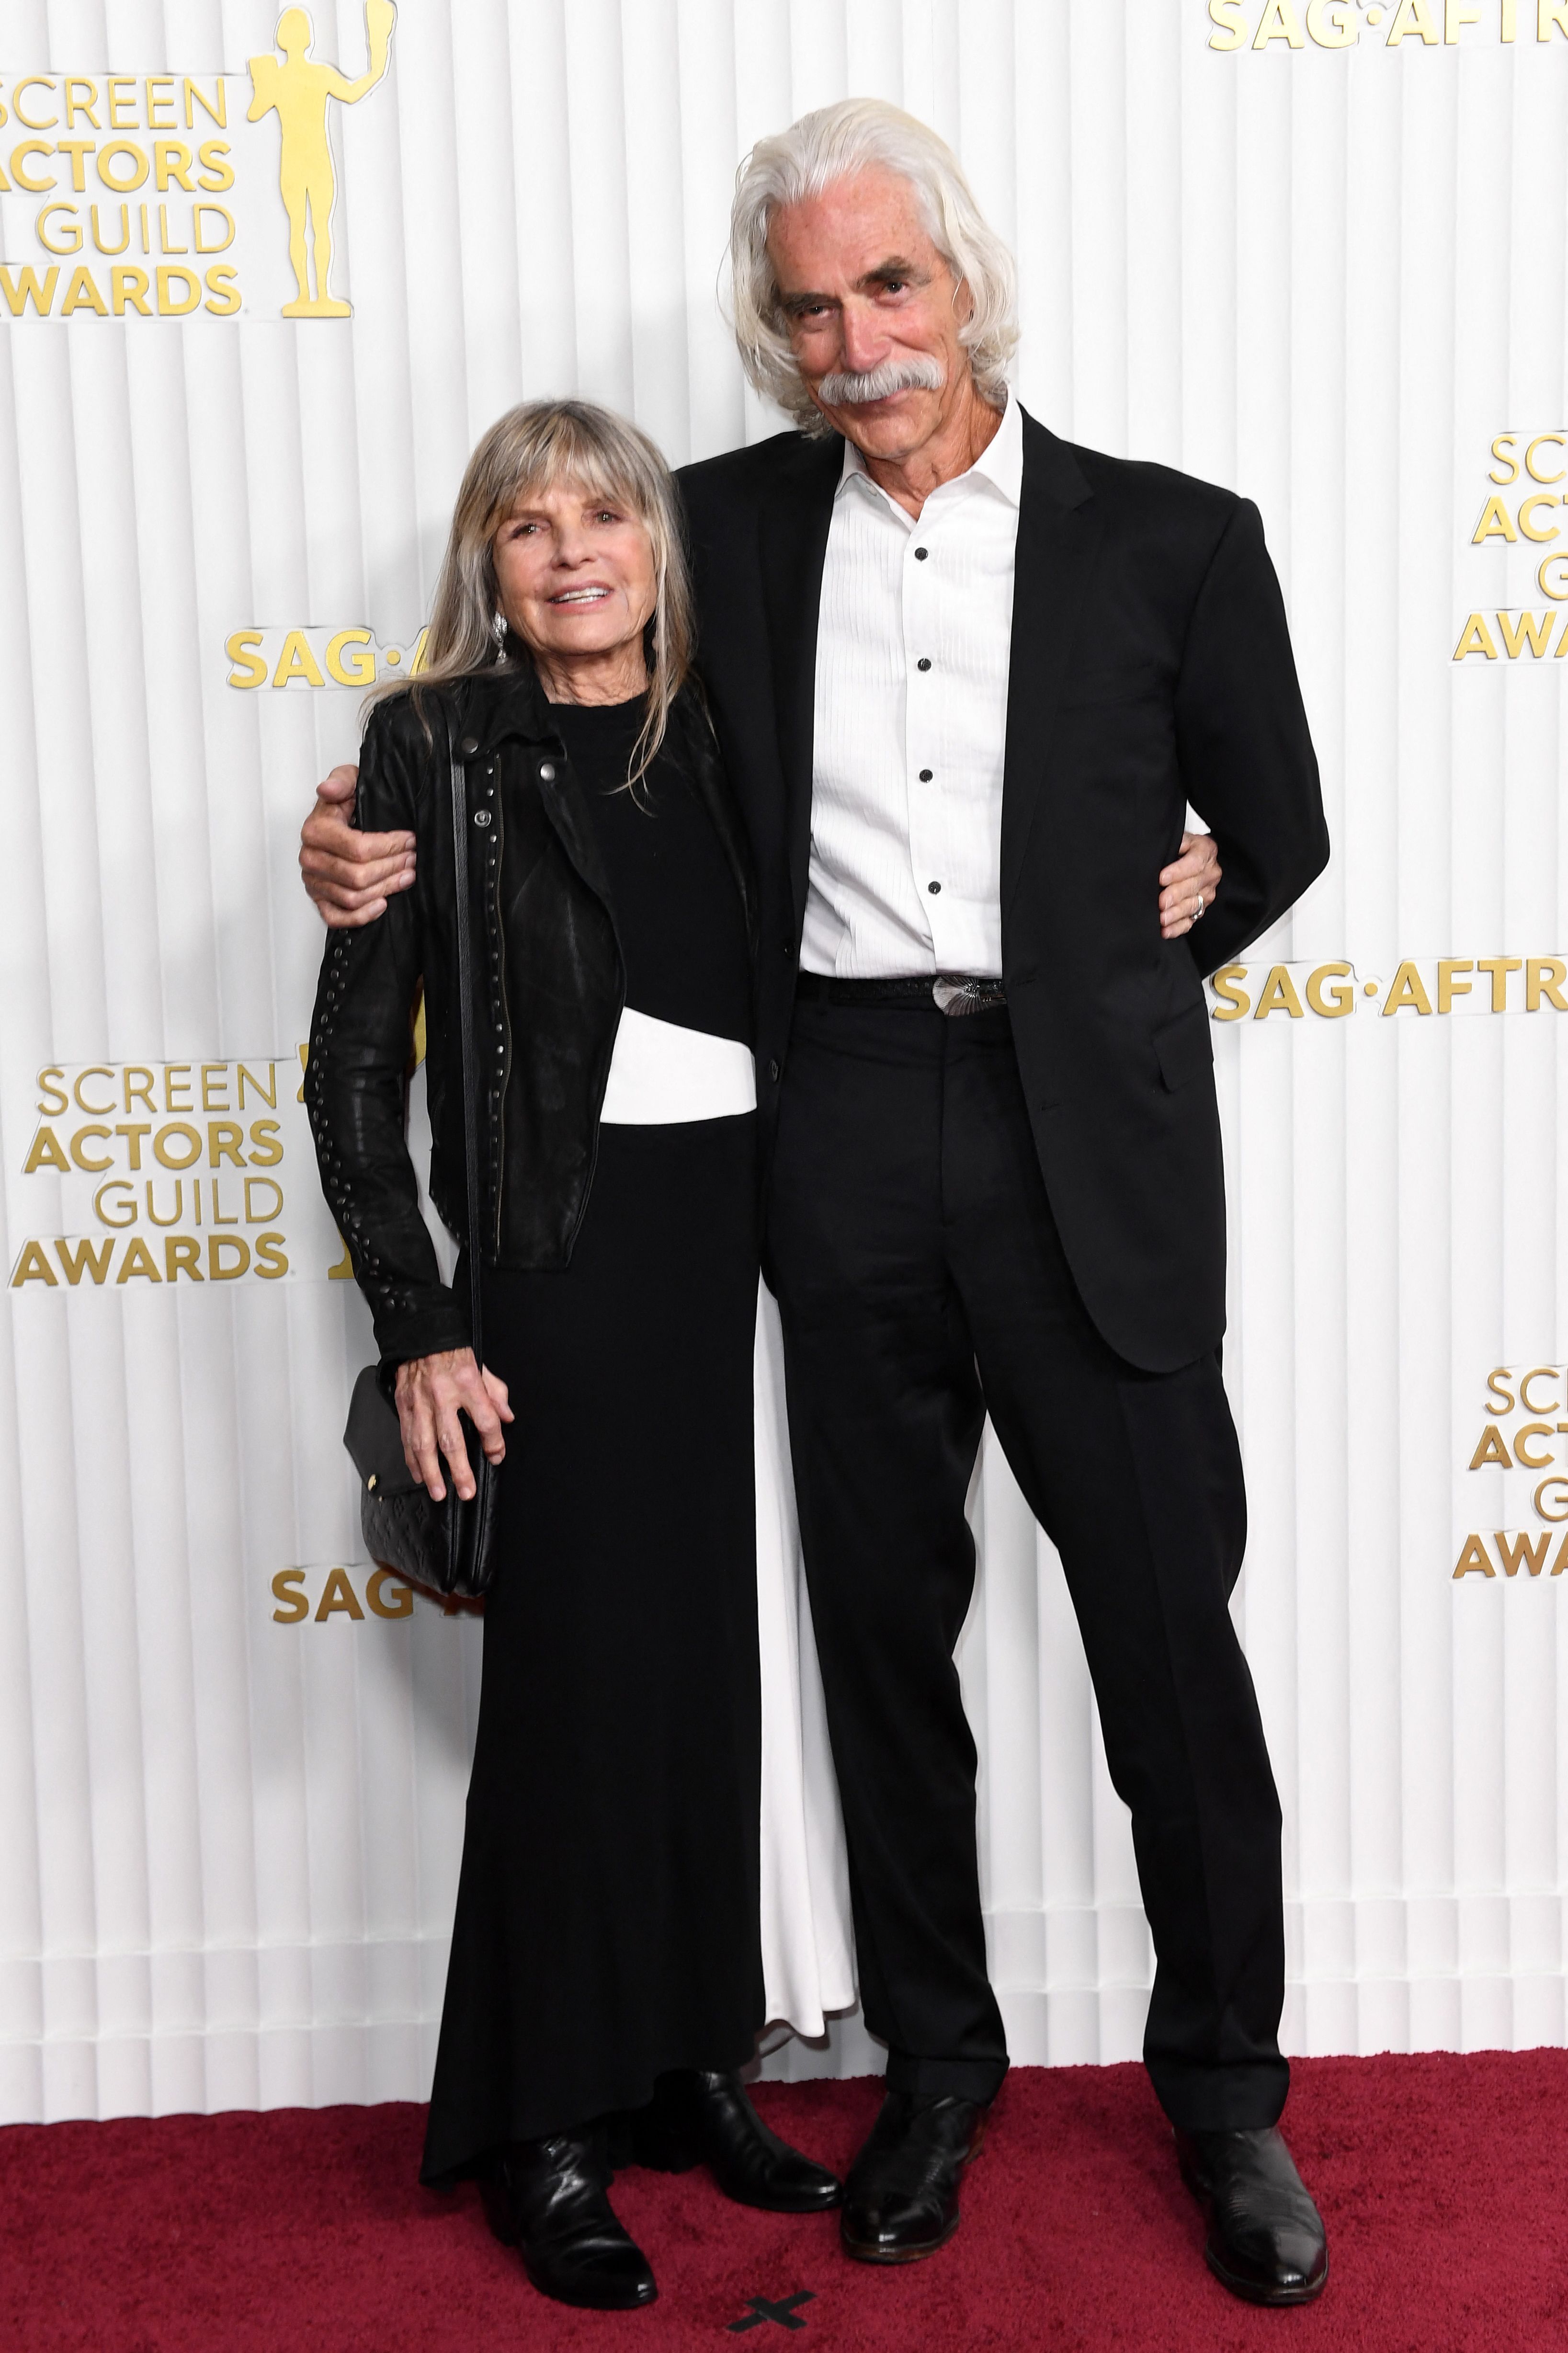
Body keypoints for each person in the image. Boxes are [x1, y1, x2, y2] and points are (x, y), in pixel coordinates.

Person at [300, 98, 1329, 2308]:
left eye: (889, 286)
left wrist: (1186, 906)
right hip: (837, 1125)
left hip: (1092, 1145)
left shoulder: (1179, 539)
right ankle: (936, 2070)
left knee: (1170, 1633)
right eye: (807, 306)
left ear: (963, 279)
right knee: (881, 1644)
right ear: (769, 340)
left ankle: (1227, 2098)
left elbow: (1278, 832)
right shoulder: (722, 529)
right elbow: (536, 737)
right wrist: (369, 841)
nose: (855, 337)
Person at [304, 398, 844, 2314]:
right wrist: (425, 1322)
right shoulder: (432, 742)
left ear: (655, 540)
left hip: (740, 1263)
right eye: (524, 525)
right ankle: (546, 2120)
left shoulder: (733, 719)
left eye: (602, 513)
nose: (568, 552)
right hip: (557, 1263)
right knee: (568, 1698)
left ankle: (693, 2059)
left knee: (705, 1675)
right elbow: (354, 1075)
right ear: (489, 562)